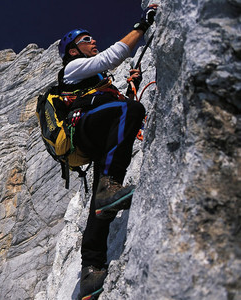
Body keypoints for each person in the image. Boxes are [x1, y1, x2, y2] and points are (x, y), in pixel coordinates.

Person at [56, 5, 158, 300]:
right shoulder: (72, 68)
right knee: (133, 109)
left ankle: (91, 270)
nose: (93, 42)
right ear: (73, 51)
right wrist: (142, 26)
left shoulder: (95, 80)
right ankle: (108, 187)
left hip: (93, 136)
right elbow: (115, 55)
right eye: (86, 40)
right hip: (83, 127)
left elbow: (112, 111)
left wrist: (131, 85)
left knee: (100, 208)